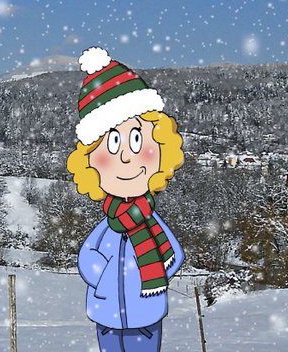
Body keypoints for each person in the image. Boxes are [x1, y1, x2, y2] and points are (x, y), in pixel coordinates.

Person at [67, 46, 185, 352]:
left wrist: (139, 279)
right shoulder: (108, 224)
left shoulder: (150, 220)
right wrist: (106, 276)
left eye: (137, 140)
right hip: (106, 313)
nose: (124, 157)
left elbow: (174, 256)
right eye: (113, 143)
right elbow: (86, 257)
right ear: (89, 162)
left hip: (145, 314)